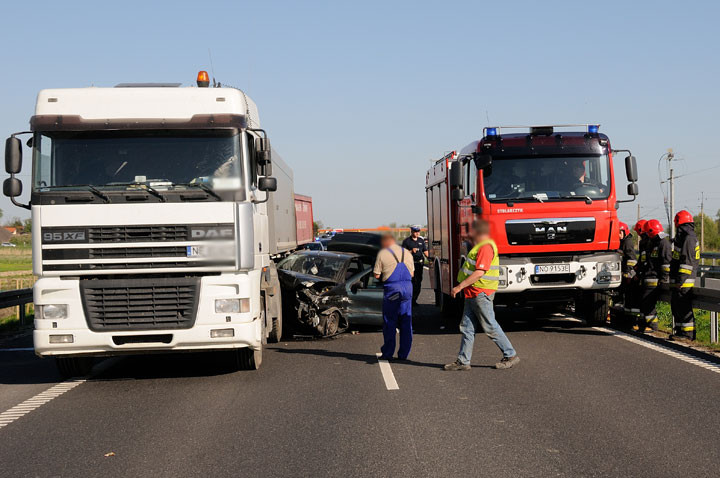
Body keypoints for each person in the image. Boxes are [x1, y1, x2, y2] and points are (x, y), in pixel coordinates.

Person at [443, 220, 519, 371]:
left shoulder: (485, 247)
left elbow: (480, 272)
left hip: (480, 293)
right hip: (473, 293)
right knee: (467, 327)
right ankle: (463, 361)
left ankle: (510, 355)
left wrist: (459, 287)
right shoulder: (478, 246)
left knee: (490, 325)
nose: (468, 234)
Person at [373, 233, 415, 360]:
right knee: (406, 321)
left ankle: (388, 353)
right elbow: (412, 274)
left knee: (390, 321)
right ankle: (403, 354)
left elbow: (376, 275)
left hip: (392, 288)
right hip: (408, 288)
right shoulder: (407, 253)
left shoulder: (383, 253)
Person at [670, 210, 700, 340]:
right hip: (680, 280)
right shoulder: (683, 238)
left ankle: (687, 334)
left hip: (684, 281)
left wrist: (680, 280)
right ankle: (680, 332)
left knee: (683, 306)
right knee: (677, 306)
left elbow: (687, 263)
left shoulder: (689, 239)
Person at [639, 219, 671, 333]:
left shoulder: (663, 243)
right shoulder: (652, 243)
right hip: (648, 278)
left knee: (648, 302)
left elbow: (666, 263)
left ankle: (653, 326)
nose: (646, 235)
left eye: (648, 232)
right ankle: (644, 324)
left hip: (655, 279)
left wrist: (663, 279)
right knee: (644, 301)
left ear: (652, 231)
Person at [401, 225, 428, 306]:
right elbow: (402, 254)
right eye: (415, 232)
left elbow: (425, 251)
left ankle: (414, 299)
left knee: (418, 282)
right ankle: (409, 300)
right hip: (410, 265)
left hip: (419, 264)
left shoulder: (421, 240)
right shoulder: (407, 241)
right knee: (411, 282)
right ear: (411, 232)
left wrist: (431, 258)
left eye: (418, 232)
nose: (417, 233)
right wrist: (411, 251)